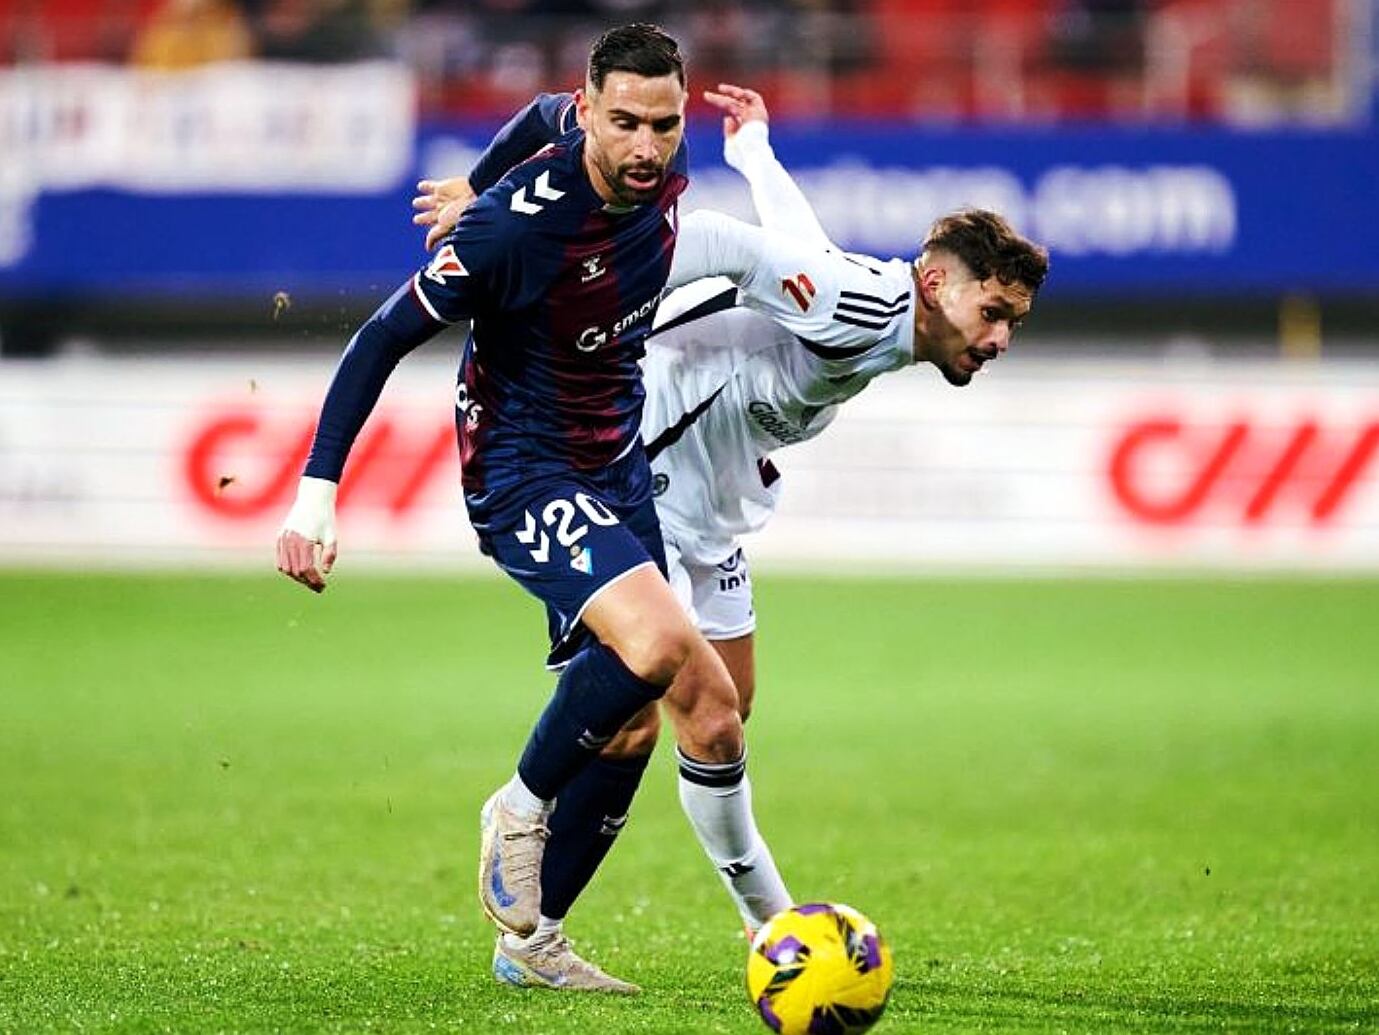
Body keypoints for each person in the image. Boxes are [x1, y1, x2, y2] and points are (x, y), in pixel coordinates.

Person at [413, 84, 1049, 992]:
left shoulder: (871, 308)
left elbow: (798, 249)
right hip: (644, 480)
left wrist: (755, 152)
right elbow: (715, 244)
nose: (998, 340)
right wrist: (579, 271)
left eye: (1012, 324)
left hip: (716, 511)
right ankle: (771, 933)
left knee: (716, 714)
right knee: (681, 711)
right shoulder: (871, 306)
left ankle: (537, 939)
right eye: (994, 314)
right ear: (937, 283)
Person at [276, 26, 795, 995]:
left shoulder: (583, 137)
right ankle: (517, 807)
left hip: (614, 463)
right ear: (591, 109)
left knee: (655, 717)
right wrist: (315, 499)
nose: (647, 147)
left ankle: (532, 943)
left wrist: (473, 174)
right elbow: (378, 339)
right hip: (524, 473)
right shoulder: (514, 231)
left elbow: (532, 118)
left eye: (665, 125)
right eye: (625, 124)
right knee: (654, 652)